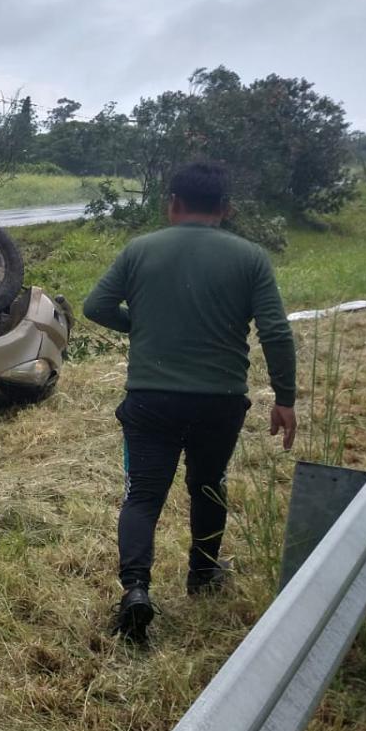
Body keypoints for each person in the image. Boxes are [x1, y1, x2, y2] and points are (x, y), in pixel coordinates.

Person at [83, 160, 297, 644]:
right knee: (208, 485)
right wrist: (285, 397)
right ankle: (202, 575)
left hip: (149, 400)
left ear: (172, 203)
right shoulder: (250, 257)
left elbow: (95, 306)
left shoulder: (140, 250)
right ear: (226, 208)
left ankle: (136, 590)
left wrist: (140, 327)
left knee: (142, 495)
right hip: (219, 402)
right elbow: (277, 332)